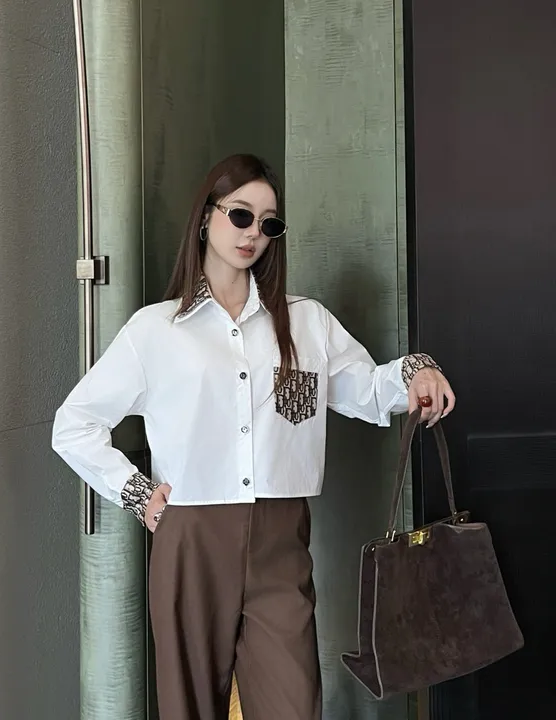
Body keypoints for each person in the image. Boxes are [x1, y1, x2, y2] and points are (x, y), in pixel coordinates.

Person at [52, 154, 455, 720]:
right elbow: (73, 424)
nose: (253, 234)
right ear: (206, 217)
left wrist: (416, 371)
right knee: (190, 706)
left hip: (280, 539)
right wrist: (137, 493)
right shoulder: (156, 331)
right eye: (240, 215)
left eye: (269, 223)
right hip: (192, 535)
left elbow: (366, 390)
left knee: (293, 704)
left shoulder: (306, 322)